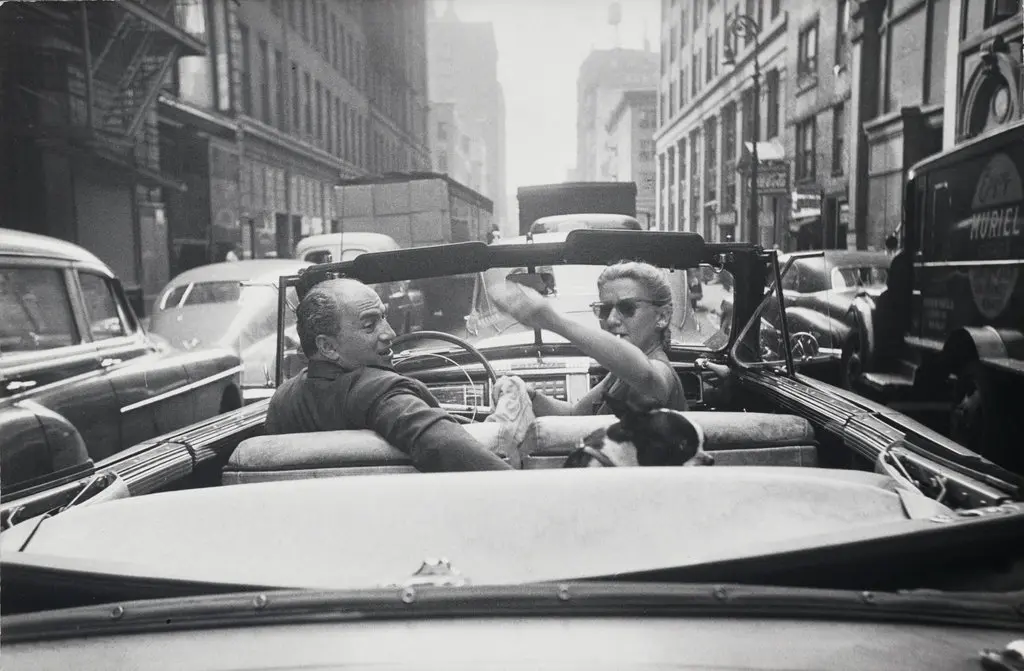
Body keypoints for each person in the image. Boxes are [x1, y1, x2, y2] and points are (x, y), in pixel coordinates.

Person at [265, 278, 511, 472]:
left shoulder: (282, 402)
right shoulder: (381, 393)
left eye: (383, 317)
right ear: (327, 347)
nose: (390, 333)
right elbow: (447, 446)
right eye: (369, 325)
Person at [489, 260, 688, 416]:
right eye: (604, 309)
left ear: (662, 317)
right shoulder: (618, 376)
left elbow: (647, 375)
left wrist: (553, 321)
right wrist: (528, 395)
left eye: (627, 308)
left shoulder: (660, 371)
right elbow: (574, 415)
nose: (611, 320)